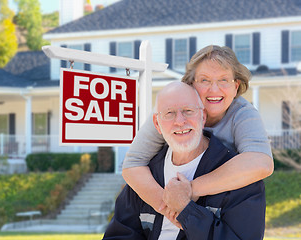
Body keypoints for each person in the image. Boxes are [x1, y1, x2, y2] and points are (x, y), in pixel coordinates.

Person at [121, 45, 273, 222]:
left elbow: (261, 163)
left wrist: (190, 190)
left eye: (224, 80)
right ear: (191, 84)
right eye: (204, 80)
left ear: (236, 86)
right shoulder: (169, 112)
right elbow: (132, 164)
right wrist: (169, 208)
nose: (214, 90)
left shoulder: (243, 113)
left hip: (222, 208)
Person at [103, 82, 266, 240]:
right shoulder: (146, 177)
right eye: (169, 113)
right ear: (157, 124)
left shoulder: (240, 179)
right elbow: (119, 234)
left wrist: (187, 212)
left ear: (203, 117)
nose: (180, 121)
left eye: (188, 111)